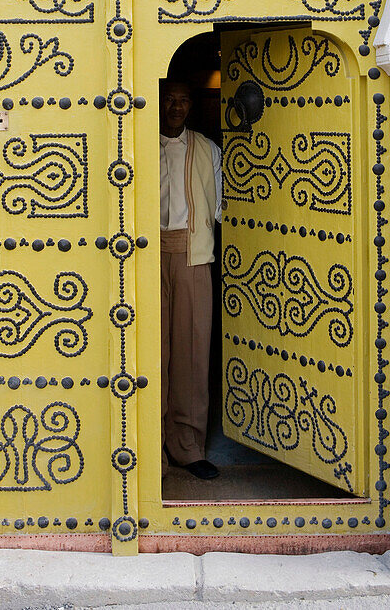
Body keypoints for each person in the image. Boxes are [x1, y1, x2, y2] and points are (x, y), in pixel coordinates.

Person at [159, 77, 222, 480]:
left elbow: (219, 208)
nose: (177, 107)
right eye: (170, 100)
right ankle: (147, 448)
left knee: (192, 349)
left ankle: (187, 446)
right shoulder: (134, 140)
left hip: (193, 255)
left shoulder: (207, 149)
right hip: (144, 253)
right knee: (151, 350)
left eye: (183, 100)